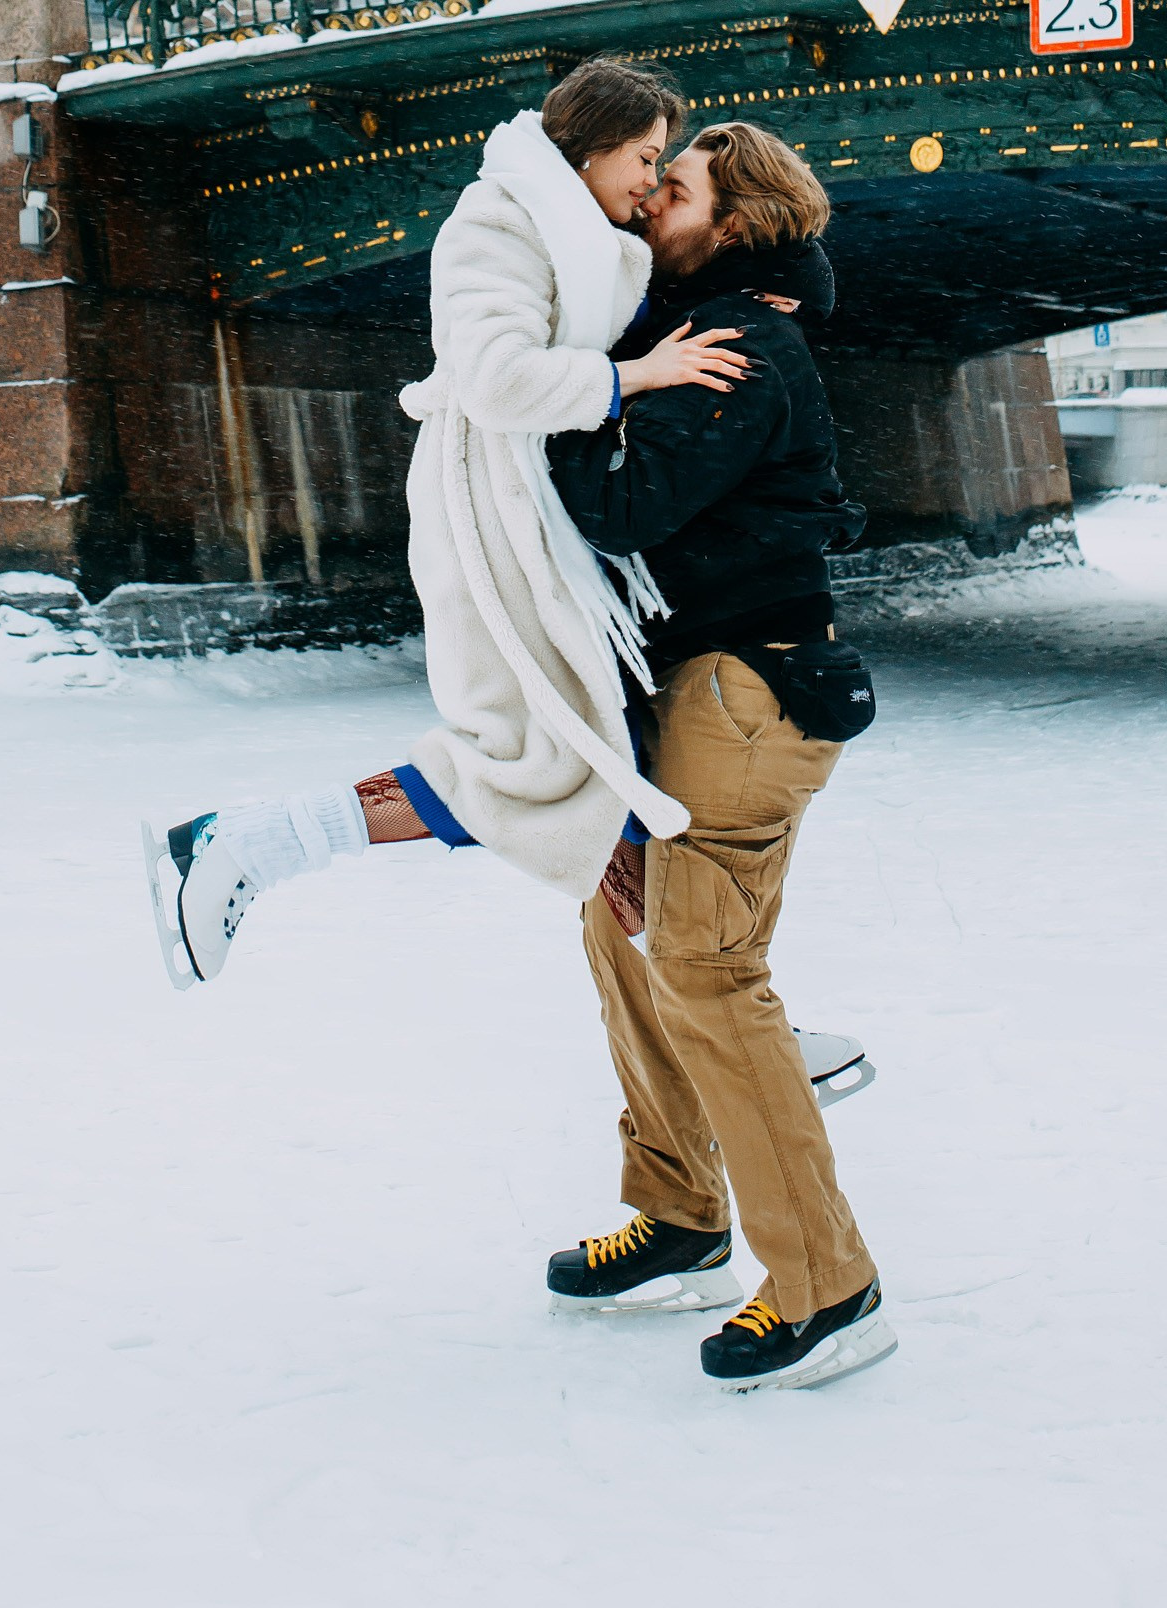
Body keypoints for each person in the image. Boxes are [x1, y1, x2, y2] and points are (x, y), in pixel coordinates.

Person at [142, 64, 864, 1107]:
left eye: (668, 175)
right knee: (533, 762)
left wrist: (754, 304)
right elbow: (495, 378)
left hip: (547, 529)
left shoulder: (597, 241)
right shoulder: (502, 221)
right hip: (500, 524)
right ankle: (245, 841)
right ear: (592, 148)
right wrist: (632, 379)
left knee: (595, 780)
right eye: (647, 161)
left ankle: (738, 1022)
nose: (649, 185)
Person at [543, 121, 894, 1394]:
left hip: (743, 693)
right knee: (618, 927)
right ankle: (680, 1215)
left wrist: (564, 400)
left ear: (731, 224)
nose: (649, 200)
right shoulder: (687, 329)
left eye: (674, 188)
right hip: (689, 689)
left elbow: (619, 504)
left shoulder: (739, 345)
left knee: (702, 965)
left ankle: (826, 1289)